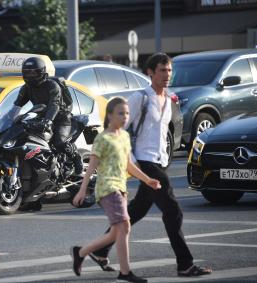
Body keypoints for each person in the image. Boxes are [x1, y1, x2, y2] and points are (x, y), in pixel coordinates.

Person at [90, 53, 212, 277]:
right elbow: (120, 130)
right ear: (150, 72)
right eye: (162, 71)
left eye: (169, 71)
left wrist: (167, 156)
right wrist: (131, 162)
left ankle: (99, 249)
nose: (167, 75)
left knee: (137, 209)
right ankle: (185, 264)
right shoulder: (140, 98)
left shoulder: (168, 99)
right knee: (173, 211)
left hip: (159, 161)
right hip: (144, 161)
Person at [70, 97, 161, 283]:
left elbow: (129, 165)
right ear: (110, 115)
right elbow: (91, 167)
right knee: (125, 226)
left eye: (127, 113)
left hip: (121, 188)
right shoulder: (102, 138)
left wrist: (148, 180)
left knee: (115, 232)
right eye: (121, 113)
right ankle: (125, 272)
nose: (125, 116)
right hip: (107, 188)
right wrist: (82, 190)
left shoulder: (125, 136)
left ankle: (81, 252)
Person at [14, 57, 83, 175]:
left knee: (59, 141)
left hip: (61, 118)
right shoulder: (26, 88)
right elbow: (16, 106)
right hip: (41, 118)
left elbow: (54, 105)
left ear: (41, 72)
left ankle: (76, 159)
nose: (30, 75)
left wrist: (48, 120)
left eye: (33, 72)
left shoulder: (52, 85)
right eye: (27, 72)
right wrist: (11, 118)